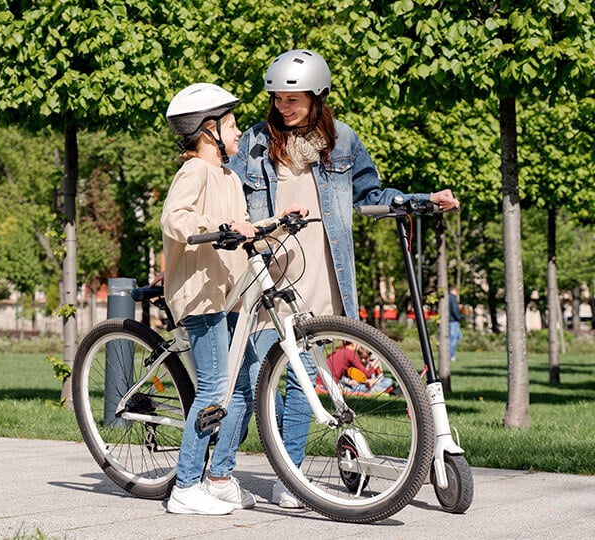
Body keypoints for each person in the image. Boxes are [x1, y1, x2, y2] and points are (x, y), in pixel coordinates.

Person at [227, 48, 460, 508]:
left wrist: (419, 199)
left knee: (300, 377)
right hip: (261, 270)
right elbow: (227, 197)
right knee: (249, 376)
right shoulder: (252, 141)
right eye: (277, 97)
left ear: (318, 96)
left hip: (317, 269)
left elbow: (370, 193)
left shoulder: (343, 140)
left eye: (294, 98)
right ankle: (220, 475)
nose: (283, 106)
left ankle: (288, 477)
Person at [161, 82, 307, 515]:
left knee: (241, 384)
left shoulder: (228, 176)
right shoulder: (195, 172)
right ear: (208, 131)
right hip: (200, 295)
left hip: (227, 296)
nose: (239, 131)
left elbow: (243, 228)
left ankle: (219, 477)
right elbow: (175, 218)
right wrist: (217, 226)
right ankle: (185, 486)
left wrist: (279, 223)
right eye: (231, 124)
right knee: (213, 385)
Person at [315, 342, 394, 395]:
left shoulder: (342, 351)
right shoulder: (350, 353)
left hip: (323, 382)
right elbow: (366, 373)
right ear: (353, 343)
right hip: (327, 385)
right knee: (388, 381)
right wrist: (374, 365)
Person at [449, 286, 462, 361]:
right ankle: (450, 355)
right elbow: (454, 309)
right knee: (454, 338)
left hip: (451, 320)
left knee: (457, 336)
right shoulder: (453, 298)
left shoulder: (448, 297)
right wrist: (459, 317)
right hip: (453, 320)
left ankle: (451, 354)